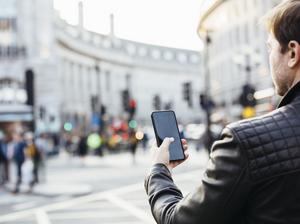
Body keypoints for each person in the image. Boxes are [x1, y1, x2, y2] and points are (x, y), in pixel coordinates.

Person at [144, 1, 300, 223]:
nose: (270, 57)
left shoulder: (244, 142)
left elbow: (178, 220)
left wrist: (158, 171)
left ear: (292, 52)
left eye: (270, 47)